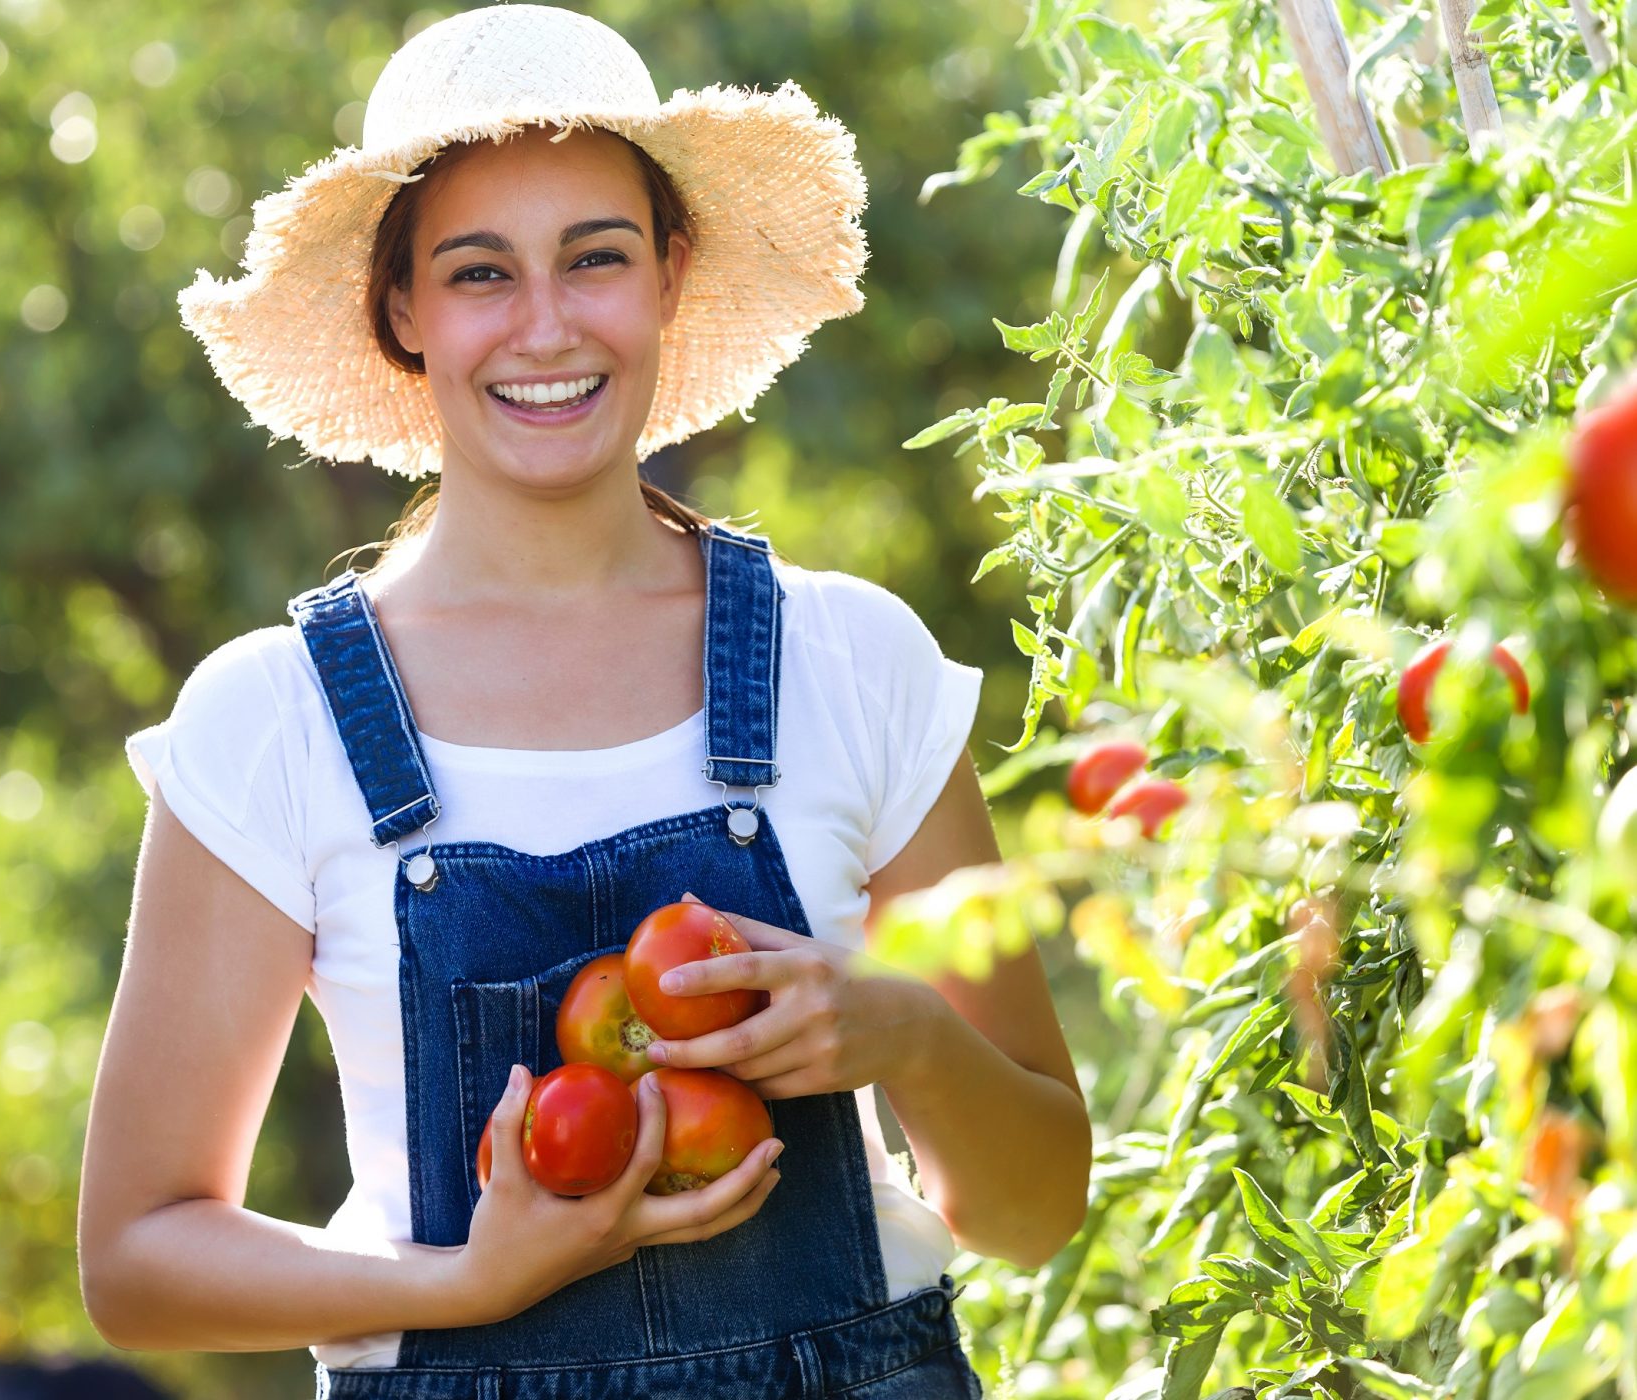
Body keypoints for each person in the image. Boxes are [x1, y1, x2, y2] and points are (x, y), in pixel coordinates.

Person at [76, 6, 1092, 1396]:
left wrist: (896, 1027)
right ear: (403, 313)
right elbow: (136, 1259)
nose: (546, 327)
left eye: (596, 258)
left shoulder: (850, 662)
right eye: (479, 272)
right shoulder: (275, 721)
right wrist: (468, 1284)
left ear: (669, 276)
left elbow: (1035, 1212)